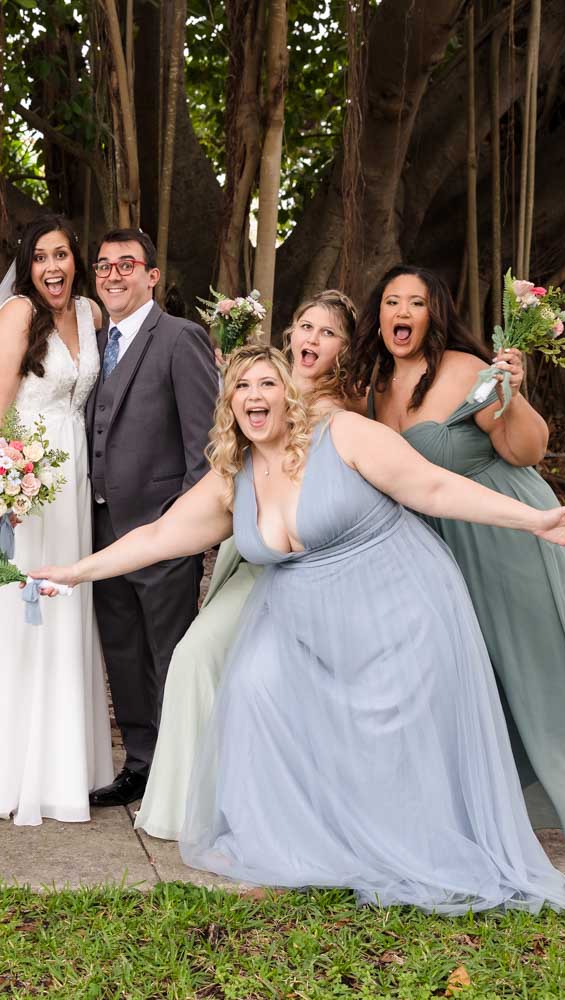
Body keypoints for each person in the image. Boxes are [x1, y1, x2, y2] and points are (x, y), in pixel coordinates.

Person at [35, 345, 565, 913]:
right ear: (229, 404)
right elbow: (158, 536)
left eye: (267, 384)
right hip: (305, 622)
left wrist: (534, 521)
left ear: (288, 394)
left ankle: (399, 844)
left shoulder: (342, 434)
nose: (255, 396)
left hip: (397, 606)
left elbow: (434, 488)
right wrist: (76, 572)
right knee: (253, 686)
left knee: (387, 737)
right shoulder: (234, 478)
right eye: (242, 386)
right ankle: (284, 846)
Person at [349, 264, 565, 843]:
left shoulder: (466, 370)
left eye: (416, 303)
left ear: (435, 314)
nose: (401, 312)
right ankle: (483, 797)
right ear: (377, 315)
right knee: (484, 667)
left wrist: (513, 395)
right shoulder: (371, 386)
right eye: (391, 301)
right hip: (438, 544)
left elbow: (527, 450)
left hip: (509, 529)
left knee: (561, 647)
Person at [134, 289, 357, 841]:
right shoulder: (266, 385)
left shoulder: (342, 414)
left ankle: (247, 805)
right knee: (200, 658)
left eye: (328, 332)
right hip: (248, 546)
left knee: (246, 672)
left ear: (345, 349)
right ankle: (188, 804)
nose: (312, 338)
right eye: (305, 325)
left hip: (303, 564)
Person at [0, 215, 113, 826]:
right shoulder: (15, 315)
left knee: (64, 603)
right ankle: (7, 773)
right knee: (16, 614)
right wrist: (6, 483)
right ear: (27, 266)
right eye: (40, 257)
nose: (52, 267)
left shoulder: (89, 314)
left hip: (71, 477)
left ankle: (64, 769)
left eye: (61, 254)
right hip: (20, 478)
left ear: (76, 259)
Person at [84, 228, 218, 808]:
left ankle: (182, 773)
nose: (113, 275)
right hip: (103, 531)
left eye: (126, 264)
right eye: (103, 266)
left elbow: (205, 445)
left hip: (165, 531)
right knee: (123, 653)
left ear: (152, 275)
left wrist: (183, 526)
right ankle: (139, 764)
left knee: (171, 657)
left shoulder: (181, 338)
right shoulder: (92, 344)